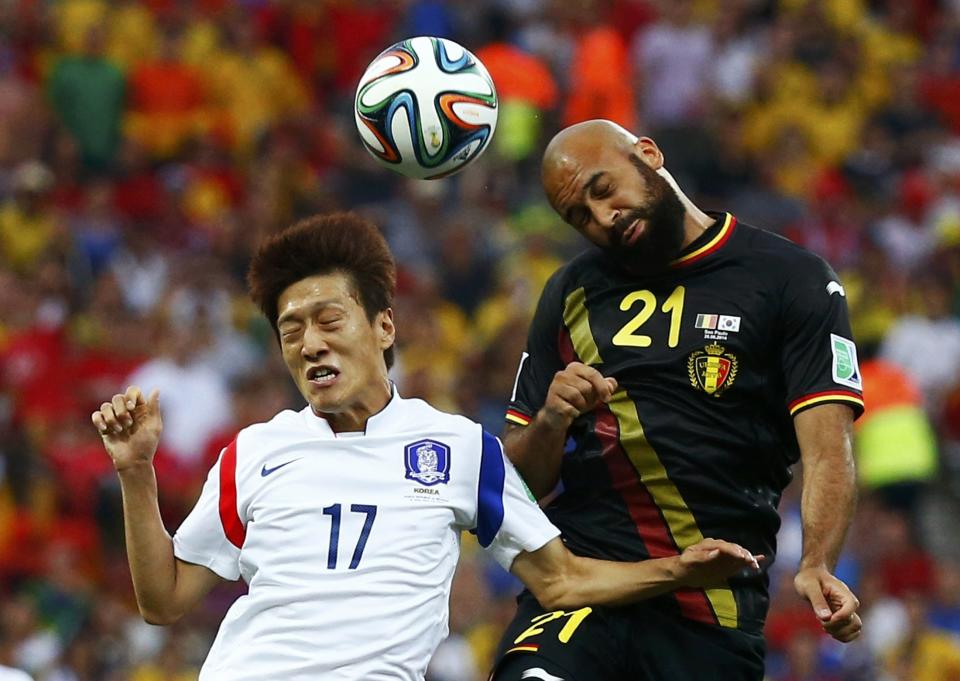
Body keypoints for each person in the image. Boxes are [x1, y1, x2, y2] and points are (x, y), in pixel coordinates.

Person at [90, 213, 759, 681]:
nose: (309, 342)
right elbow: (165, 599)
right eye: (291, 330)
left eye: (328, 319)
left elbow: (561, 579)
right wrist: (136, 472)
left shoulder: (459, 446)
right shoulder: (255, 451)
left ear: (384, 327)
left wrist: (676, 570)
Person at [492, 120, 864, 681]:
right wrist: (551, 419)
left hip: (711, 609)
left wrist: (817, 562)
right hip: (585, 589)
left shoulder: (792, 279)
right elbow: (517, 484)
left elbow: (828, 449)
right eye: (580, 217)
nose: (604, 218)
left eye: (602, 189)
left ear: (647, 153)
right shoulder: (570, 293)